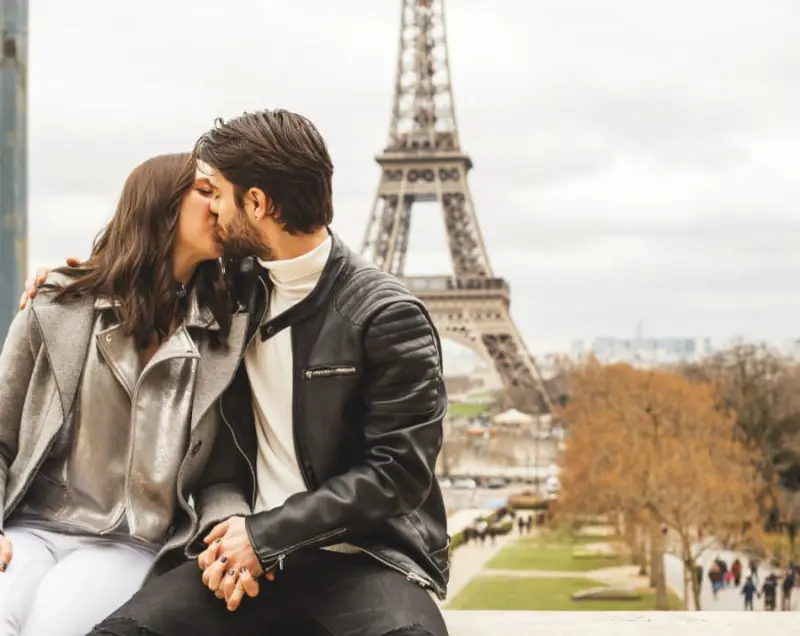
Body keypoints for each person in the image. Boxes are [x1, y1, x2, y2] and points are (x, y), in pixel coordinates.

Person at [55, 110, 446, 636]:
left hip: (362, 557)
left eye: (216, 192)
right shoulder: (230, 286)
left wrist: (264, 536)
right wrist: (68, 285)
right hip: (240, 553)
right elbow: (137, 275)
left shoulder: (386, 314)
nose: (210, 206)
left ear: (257, 204)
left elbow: (397, 474)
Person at [0, 154, 250, 635]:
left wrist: (231, 533)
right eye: (206, 191)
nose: (221, 207)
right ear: (158, 203)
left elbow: (223, 473)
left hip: (130, 541)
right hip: (30, 526)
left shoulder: (225, 334)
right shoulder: (57, 305)